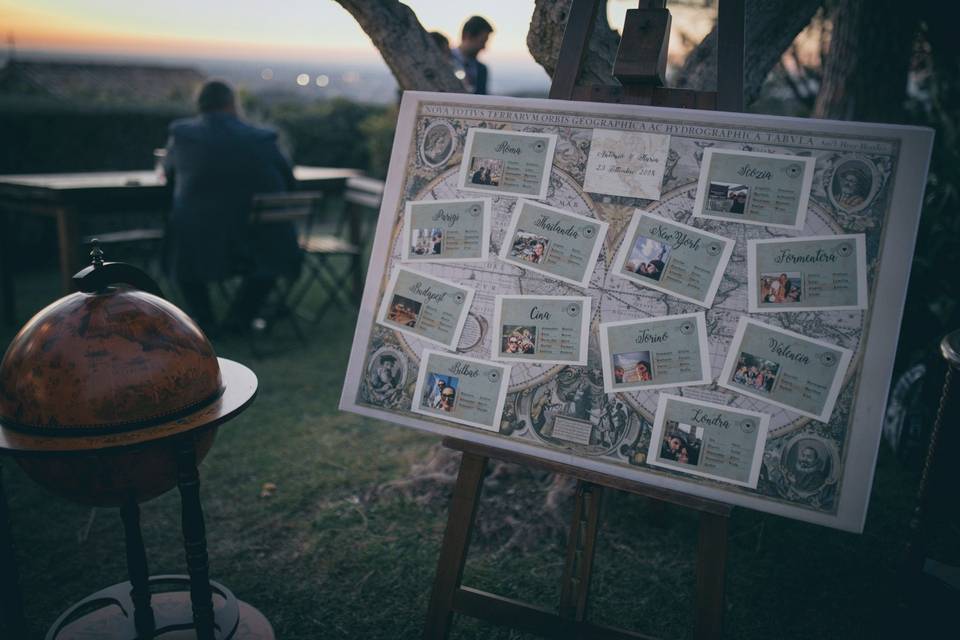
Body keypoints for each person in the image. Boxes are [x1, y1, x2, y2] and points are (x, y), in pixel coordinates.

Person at [162, 80, 300, 333]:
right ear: (232, 104)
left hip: (198, 241)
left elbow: (169, 179)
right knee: (274, 242)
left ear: (200, 105)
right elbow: (289, 182)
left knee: (181, 237)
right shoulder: (264, 139)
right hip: (257, 242)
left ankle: (204, 320)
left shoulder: (181, 136)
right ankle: (241, 317)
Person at [452, 16, 494, 94]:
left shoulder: (482, 70)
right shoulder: (444, 59)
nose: (484, 47)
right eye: (482, 41)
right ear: (468, 36)